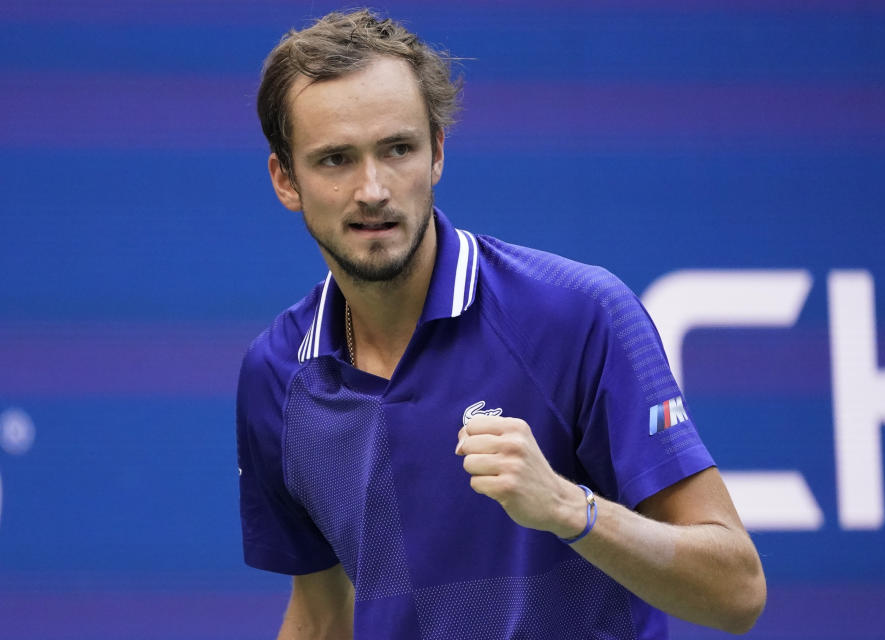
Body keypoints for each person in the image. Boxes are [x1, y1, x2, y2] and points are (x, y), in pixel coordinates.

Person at [236, 9, 766, 639]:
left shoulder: (581, 314)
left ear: (437, 153)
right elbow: (323, 615)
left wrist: (570, 508)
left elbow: (738, 591)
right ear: (285, 179)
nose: (373, 188)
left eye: (397, 149)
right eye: (336, 160)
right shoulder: (276, 376)